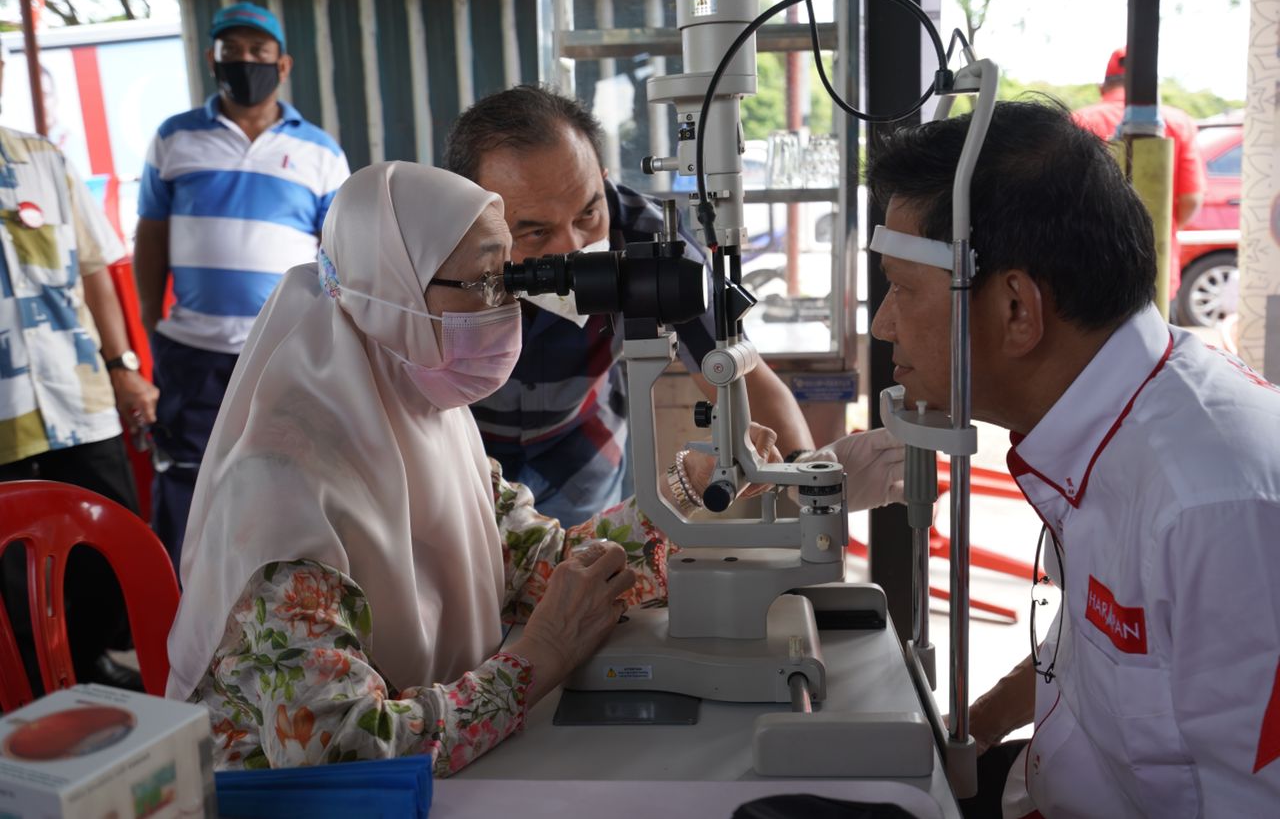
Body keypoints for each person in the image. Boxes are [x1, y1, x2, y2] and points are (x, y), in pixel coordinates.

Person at [166, 161, 904, 775]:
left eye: (510, 281)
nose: (507, 309)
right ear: (390, 295)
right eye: (485, 285)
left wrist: (713, 488)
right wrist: (539, 659)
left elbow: (546, 568)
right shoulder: (280, 490)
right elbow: (343, 748)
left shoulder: (428, 418)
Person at [867, 99, 1280, 817]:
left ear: (1017, 309)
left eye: (902, 289)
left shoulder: (1214, 508)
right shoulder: (1108, 419)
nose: (882, 324)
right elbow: (1106, 647)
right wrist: (974, 727)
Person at [443, 85, 815, 526]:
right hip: (456, 454)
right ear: (474, 212)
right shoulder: (431, 256)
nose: (573, 249)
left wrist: (810, 477)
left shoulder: (652, 243)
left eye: (588, 214)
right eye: (536, 232)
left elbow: (739, 374)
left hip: (580, 461)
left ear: (602, 179)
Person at [133, 2, 350, 567]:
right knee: (187, 477)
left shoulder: (322, 152)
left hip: (283, 350)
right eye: (231, 50)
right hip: (193, 351)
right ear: (213, 60)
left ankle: (275, 596)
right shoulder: (175, 138)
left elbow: (340, 255)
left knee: (289, 476)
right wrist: (153, 324)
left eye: (258, 50)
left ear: (283, 65)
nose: (244, 60)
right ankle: (179, 597)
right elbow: (151, 238)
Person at [0, 50, 160, 690]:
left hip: (79, 398)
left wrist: (123, 367)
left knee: (105, 544)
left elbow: (96, 269)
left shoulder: (44, 160)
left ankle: (99, 666)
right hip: (5, 415)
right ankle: (33, 694)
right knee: (13, 574)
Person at [1072, 47, 1207, 310]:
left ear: (1103, 87)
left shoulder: (1078, 121)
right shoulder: (1179, 122)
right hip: (1158, 269)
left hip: (1090, 271)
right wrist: (1155, 226)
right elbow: (1191, 199)